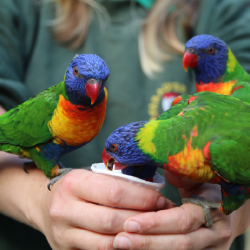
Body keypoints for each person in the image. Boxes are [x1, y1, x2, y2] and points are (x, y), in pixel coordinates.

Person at [0, 0, 250, 249]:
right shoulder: (21, 7)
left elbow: (240, 136)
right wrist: (38, 200)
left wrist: (230, 213)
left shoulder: (222, 8)